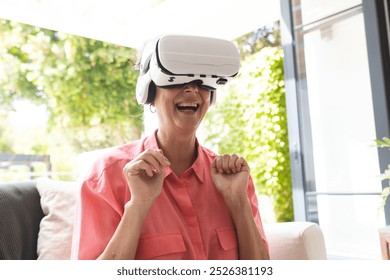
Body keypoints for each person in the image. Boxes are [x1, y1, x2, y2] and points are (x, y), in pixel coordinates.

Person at [70, 34, 269, 260]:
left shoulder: (233, 178)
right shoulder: (105, 177)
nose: (193, 90)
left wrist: (238, 203)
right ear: (150, 93)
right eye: (178, 79)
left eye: (202, 82)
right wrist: (138, 206)